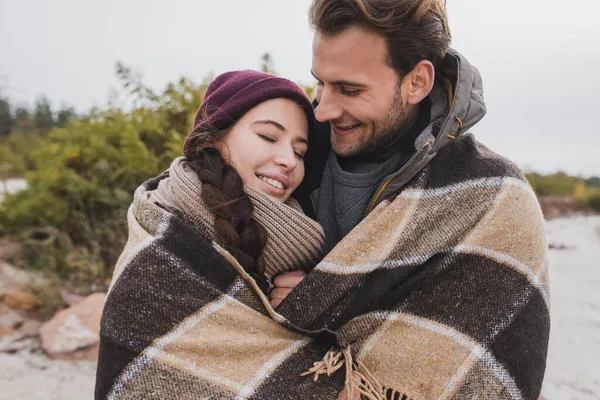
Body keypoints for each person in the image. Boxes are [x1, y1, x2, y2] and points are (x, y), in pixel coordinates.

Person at [268, 0, 549, 399]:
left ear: (416, 81)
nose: (323, 110)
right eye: (320, 83)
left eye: (349, 89)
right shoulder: (285, 160)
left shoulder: (494, 200)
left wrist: (313, 307)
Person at [94, 70, 333, 399]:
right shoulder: (158, 253)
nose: (289, 160)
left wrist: (296, 312)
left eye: (300, 151)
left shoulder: (300, 246)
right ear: (213, 138)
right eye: (267, 136)